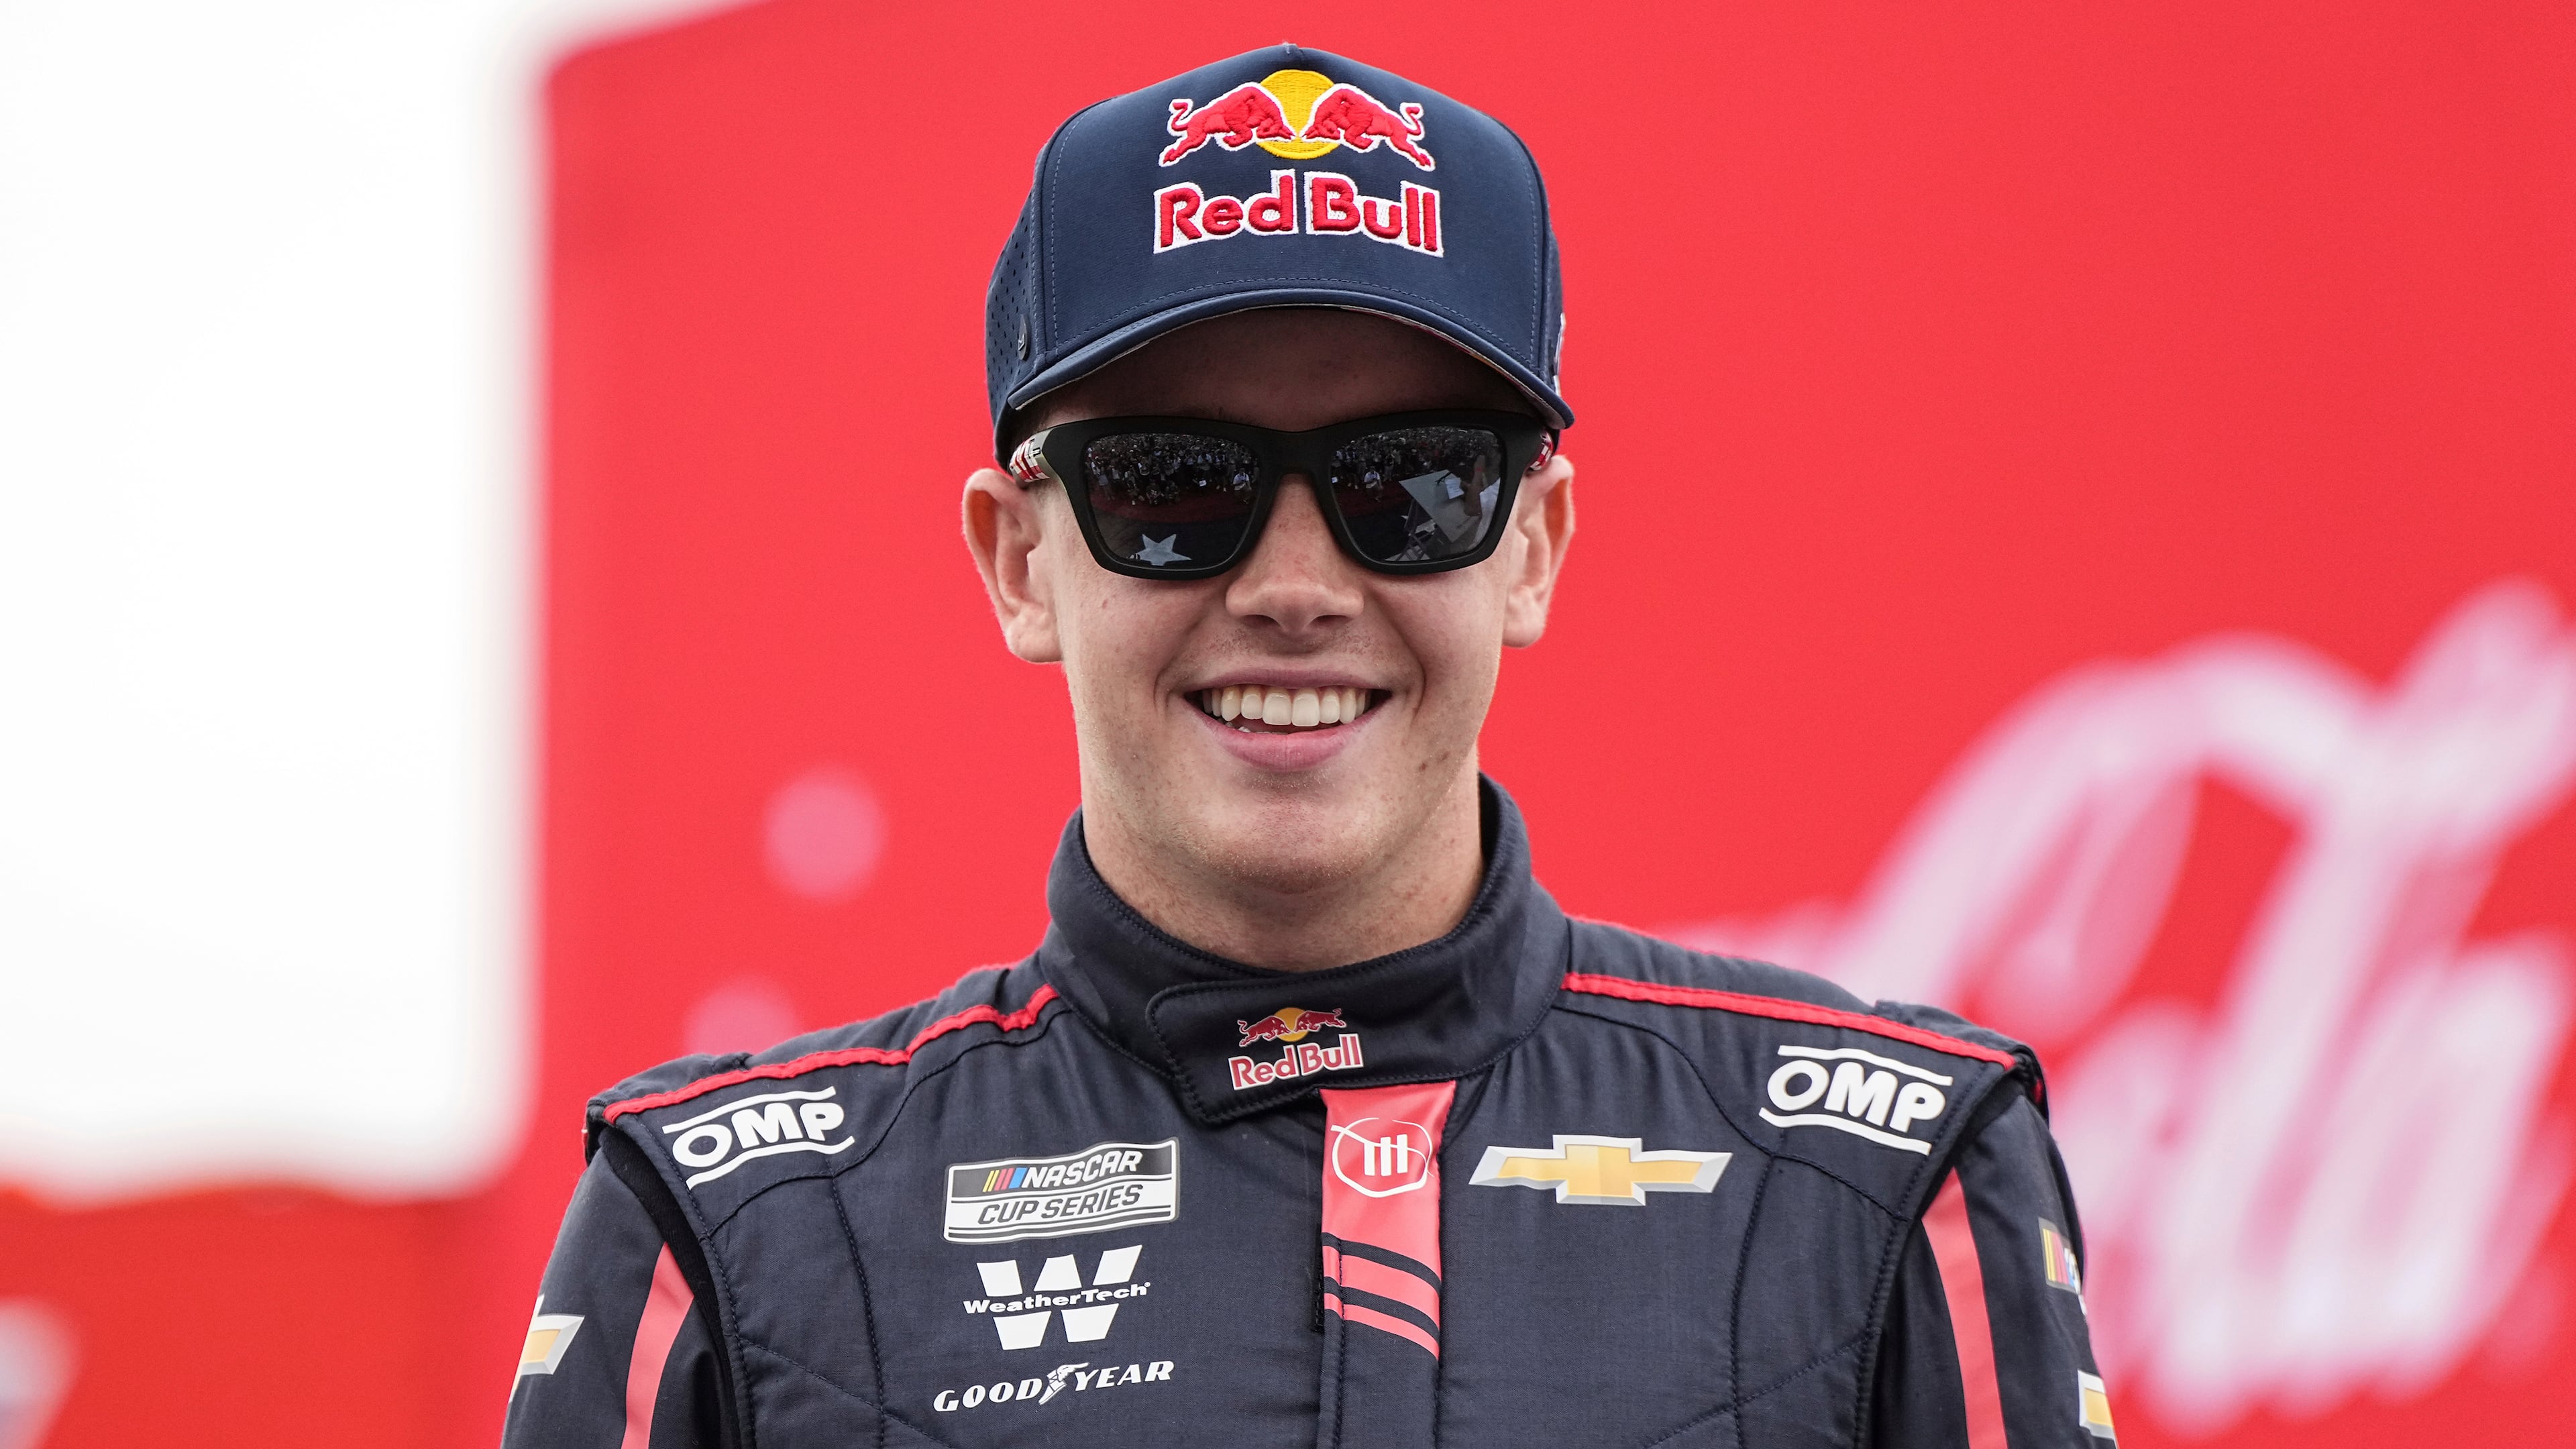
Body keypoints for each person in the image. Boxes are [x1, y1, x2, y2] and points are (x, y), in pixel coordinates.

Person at [502, 44, 2113, 1449]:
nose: (1290, 589)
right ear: (1019, 563)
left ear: (1533, 546)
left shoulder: (1900, 1176)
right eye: (1170, 487)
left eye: (1410, 483)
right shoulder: (722, 1225)